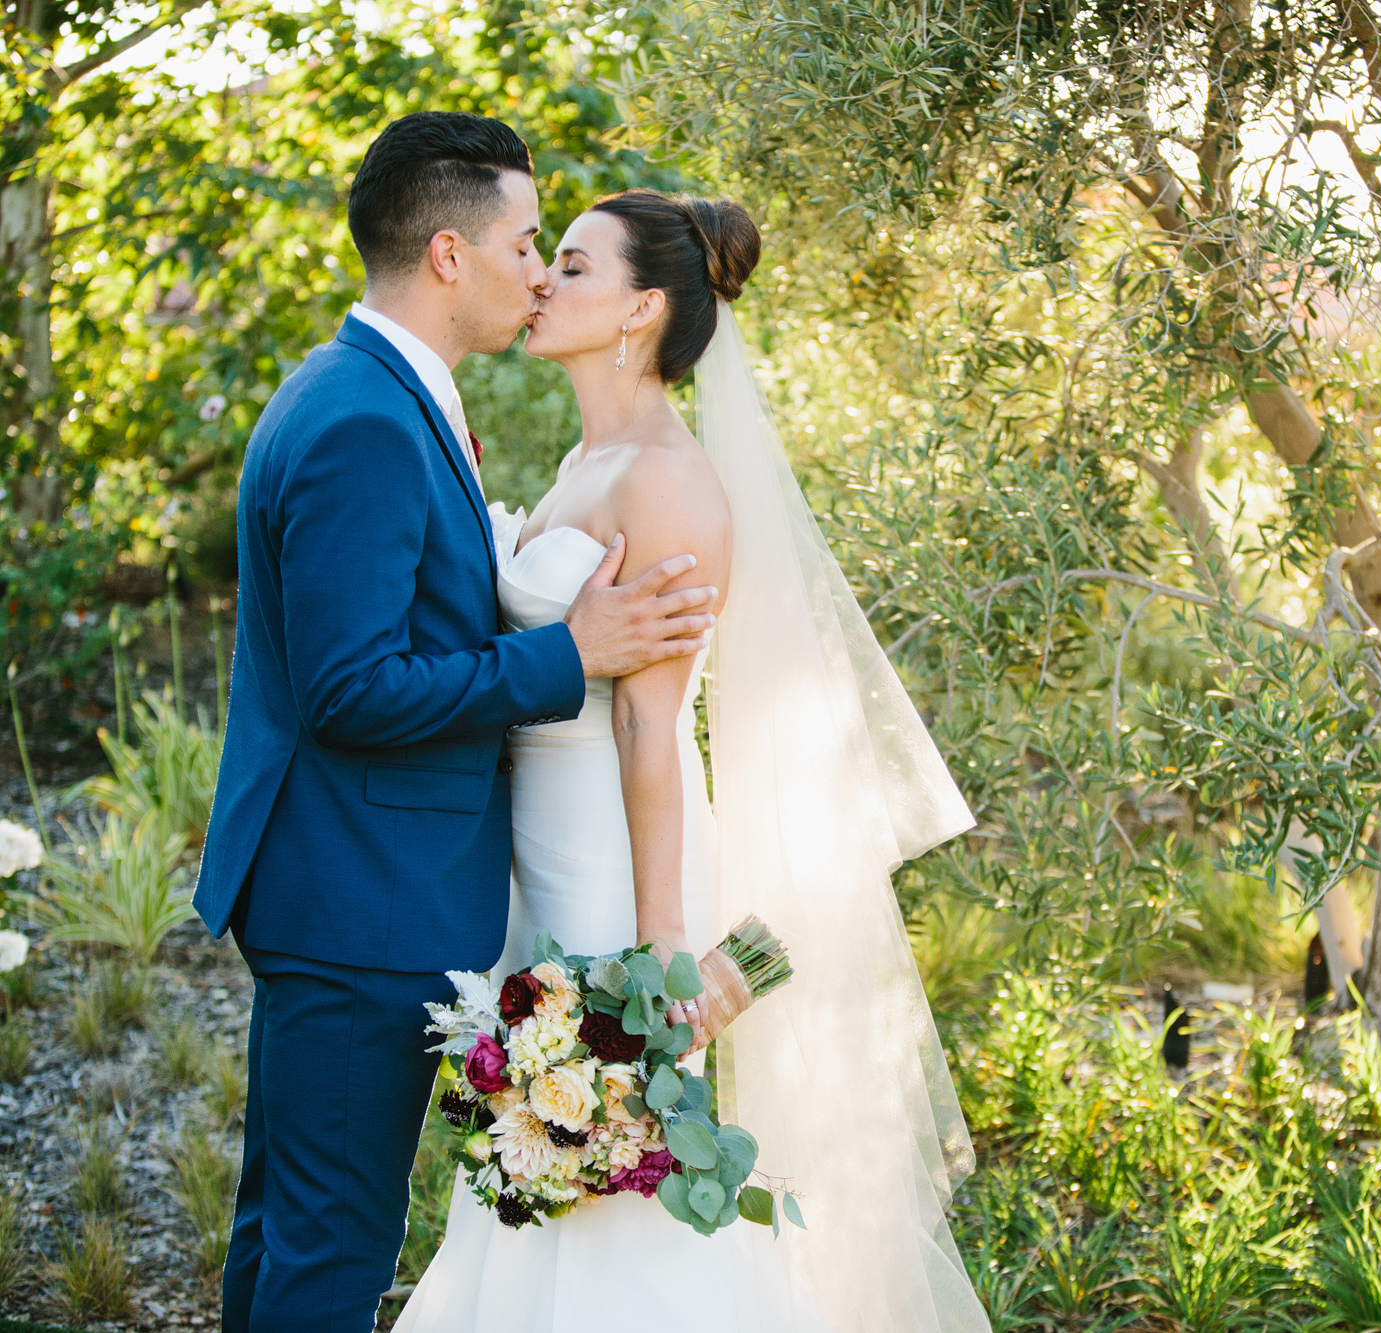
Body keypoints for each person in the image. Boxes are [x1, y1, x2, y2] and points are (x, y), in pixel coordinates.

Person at [392, 190, 990, 1333]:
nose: (539, 283)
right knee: (547, 1172)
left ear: (641, 308)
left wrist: (659, 945)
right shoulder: (586, 459)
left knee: (619, 1179)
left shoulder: (661, 477)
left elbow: (647, 726)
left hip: (620, 866)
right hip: (544, 858)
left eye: (569, 266)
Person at [191, 113, 719, 1333]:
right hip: (357, 902)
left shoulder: (369, 392)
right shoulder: (369, 420)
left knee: (288, 1229)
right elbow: (350, 688)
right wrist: (568, 652)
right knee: (325, 1250)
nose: (538, 271)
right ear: (447, 254)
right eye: (529, 242)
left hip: (357, 890)